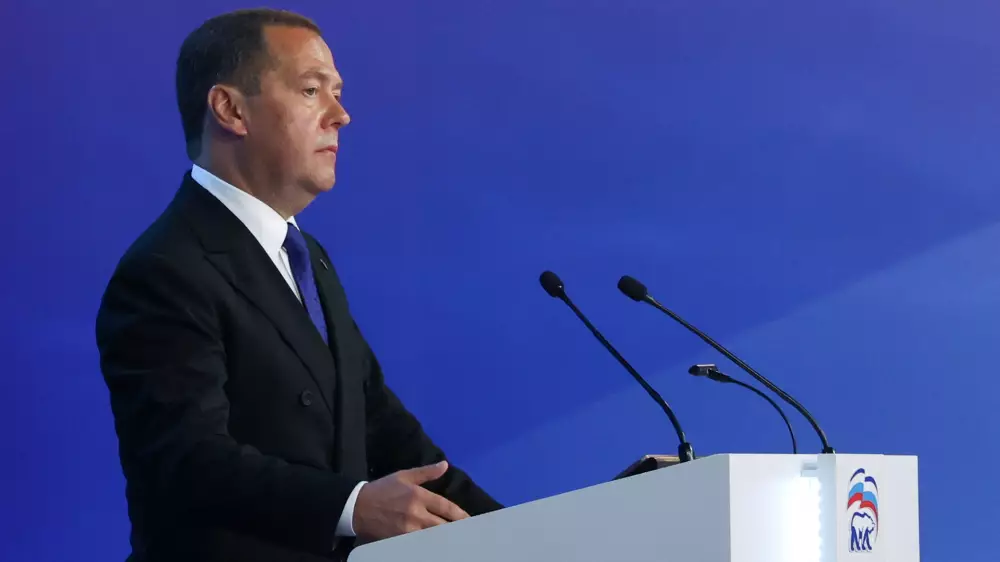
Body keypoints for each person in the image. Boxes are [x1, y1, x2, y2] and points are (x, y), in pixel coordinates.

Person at [95, 8, 502, 562]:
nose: (341, 115)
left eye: (337, 93)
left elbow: (385, 431)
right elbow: (186, 459)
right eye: (312, 90)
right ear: (230, 109)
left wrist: (527, 533)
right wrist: (353, 506)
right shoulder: (165, 270)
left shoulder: (309, 259)